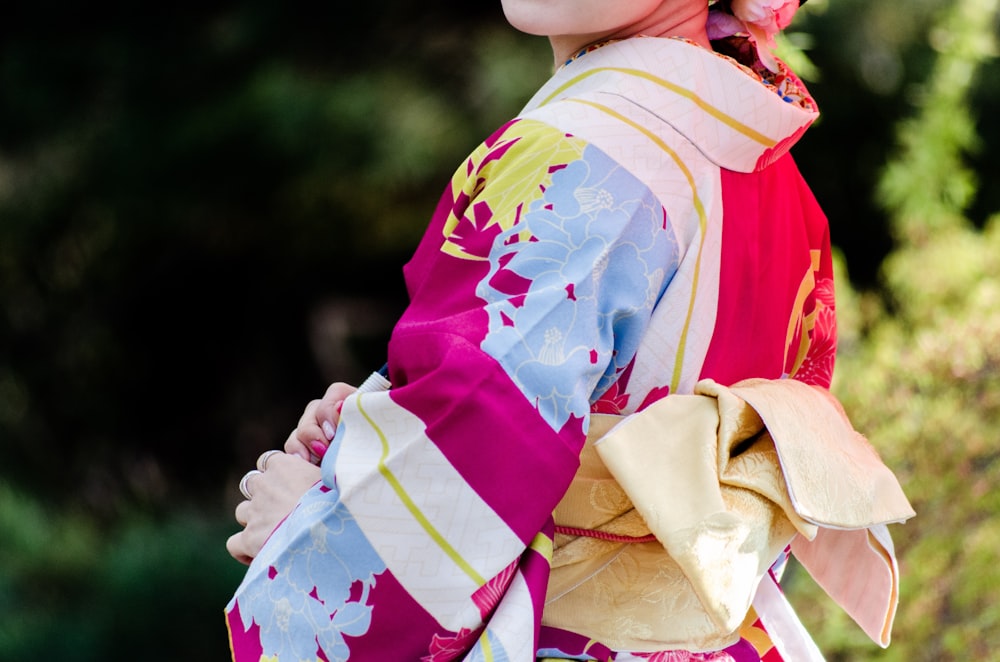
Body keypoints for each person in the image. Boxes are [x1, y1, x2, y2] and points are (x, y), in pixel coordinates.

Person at [225, 1, 915, 659]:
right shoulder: (769, 170)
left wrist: (313, 533)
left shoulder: (584, 155)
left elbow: (479, 428)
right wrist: (371, 430)